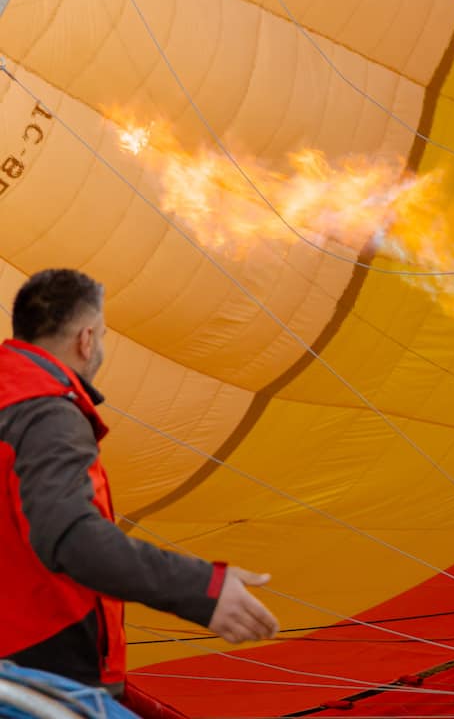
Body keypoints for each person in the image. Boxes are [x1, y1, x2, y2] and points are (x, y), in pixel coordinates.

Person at [0, 268, 278, 707]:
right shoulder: (46, 412)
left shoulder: (13, 398)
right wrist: (203, 589)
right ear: (86, 339)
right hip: (45, 679)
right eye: (103, 337)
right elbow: (74, 539)